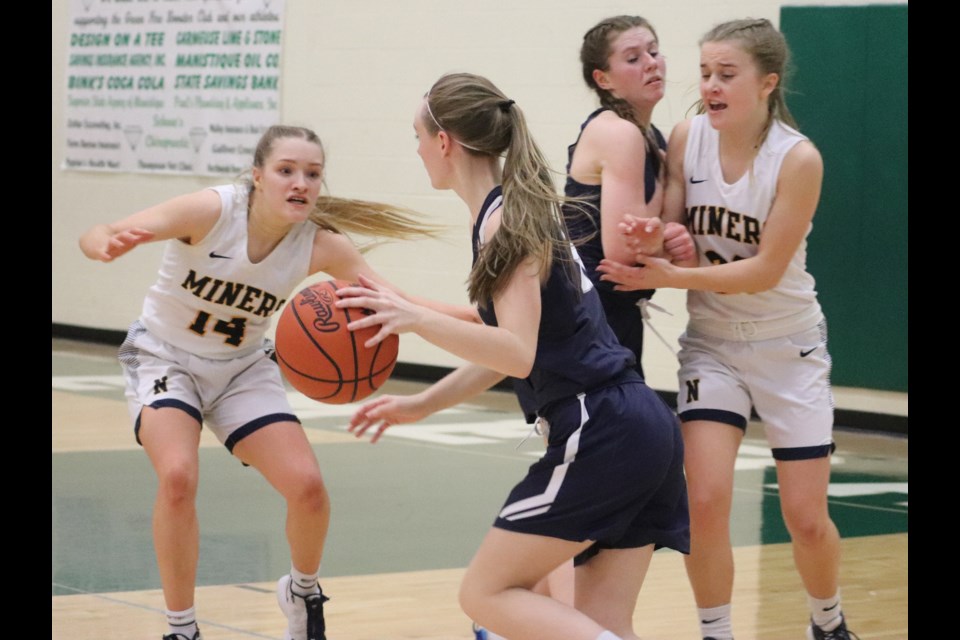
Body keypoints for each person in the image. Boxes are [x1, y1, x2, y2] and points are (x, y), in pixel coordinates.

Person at [77, 124, 474, 640]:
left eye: (312, 174)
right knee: (177, 476)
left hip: (242, 367)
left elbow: (397, 303)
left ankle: (303, 592)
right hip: (164, 357)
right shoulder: (211, 210)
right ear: (257, 176)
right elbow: (101, 230)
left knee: (307, 488)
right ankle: (182, 628)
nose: (300, 183)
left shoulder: (322, 244)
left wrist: (479, 317)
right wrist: (105, 244)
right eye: (287, 171)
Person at [338, 72, 689, 640]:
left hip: (599, 426)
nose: (419, 149)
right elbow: (509, 347)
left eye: (418, 136)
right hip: (641, 425)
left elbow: (517, 353)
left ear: (444, 141)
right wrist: (421, 404)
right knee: (600, 623)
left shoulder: (506, 220)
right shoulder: (518, 210)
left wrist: (415, 318)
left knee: (486, 593)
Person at [597, 18, 856, 640]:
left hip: (787, 346)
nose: (709, 85)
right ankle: (716, 633)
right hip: (712, 347)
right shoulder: (688, 136)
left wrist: (668, 277)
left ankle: (828, 621)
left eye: (726, 75)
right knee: (706, 503)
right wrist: (656, 237)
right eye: (706, 72)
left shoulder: (798, 160)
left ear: (767, 83)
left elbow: (765, 270)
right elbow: (673, 226)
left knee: (806, 517)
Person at [564, 15, 696, 380]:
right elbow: (624, 251)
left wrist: (666, 242)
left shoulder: (651, 135)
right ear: (602, 79)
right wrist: (663, 240)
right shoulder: (619, 133)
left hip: (616, 309)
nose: (652, 63)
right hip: (588, 311)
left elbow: (666, 236)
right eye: (634, 58)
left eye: (654, 51)